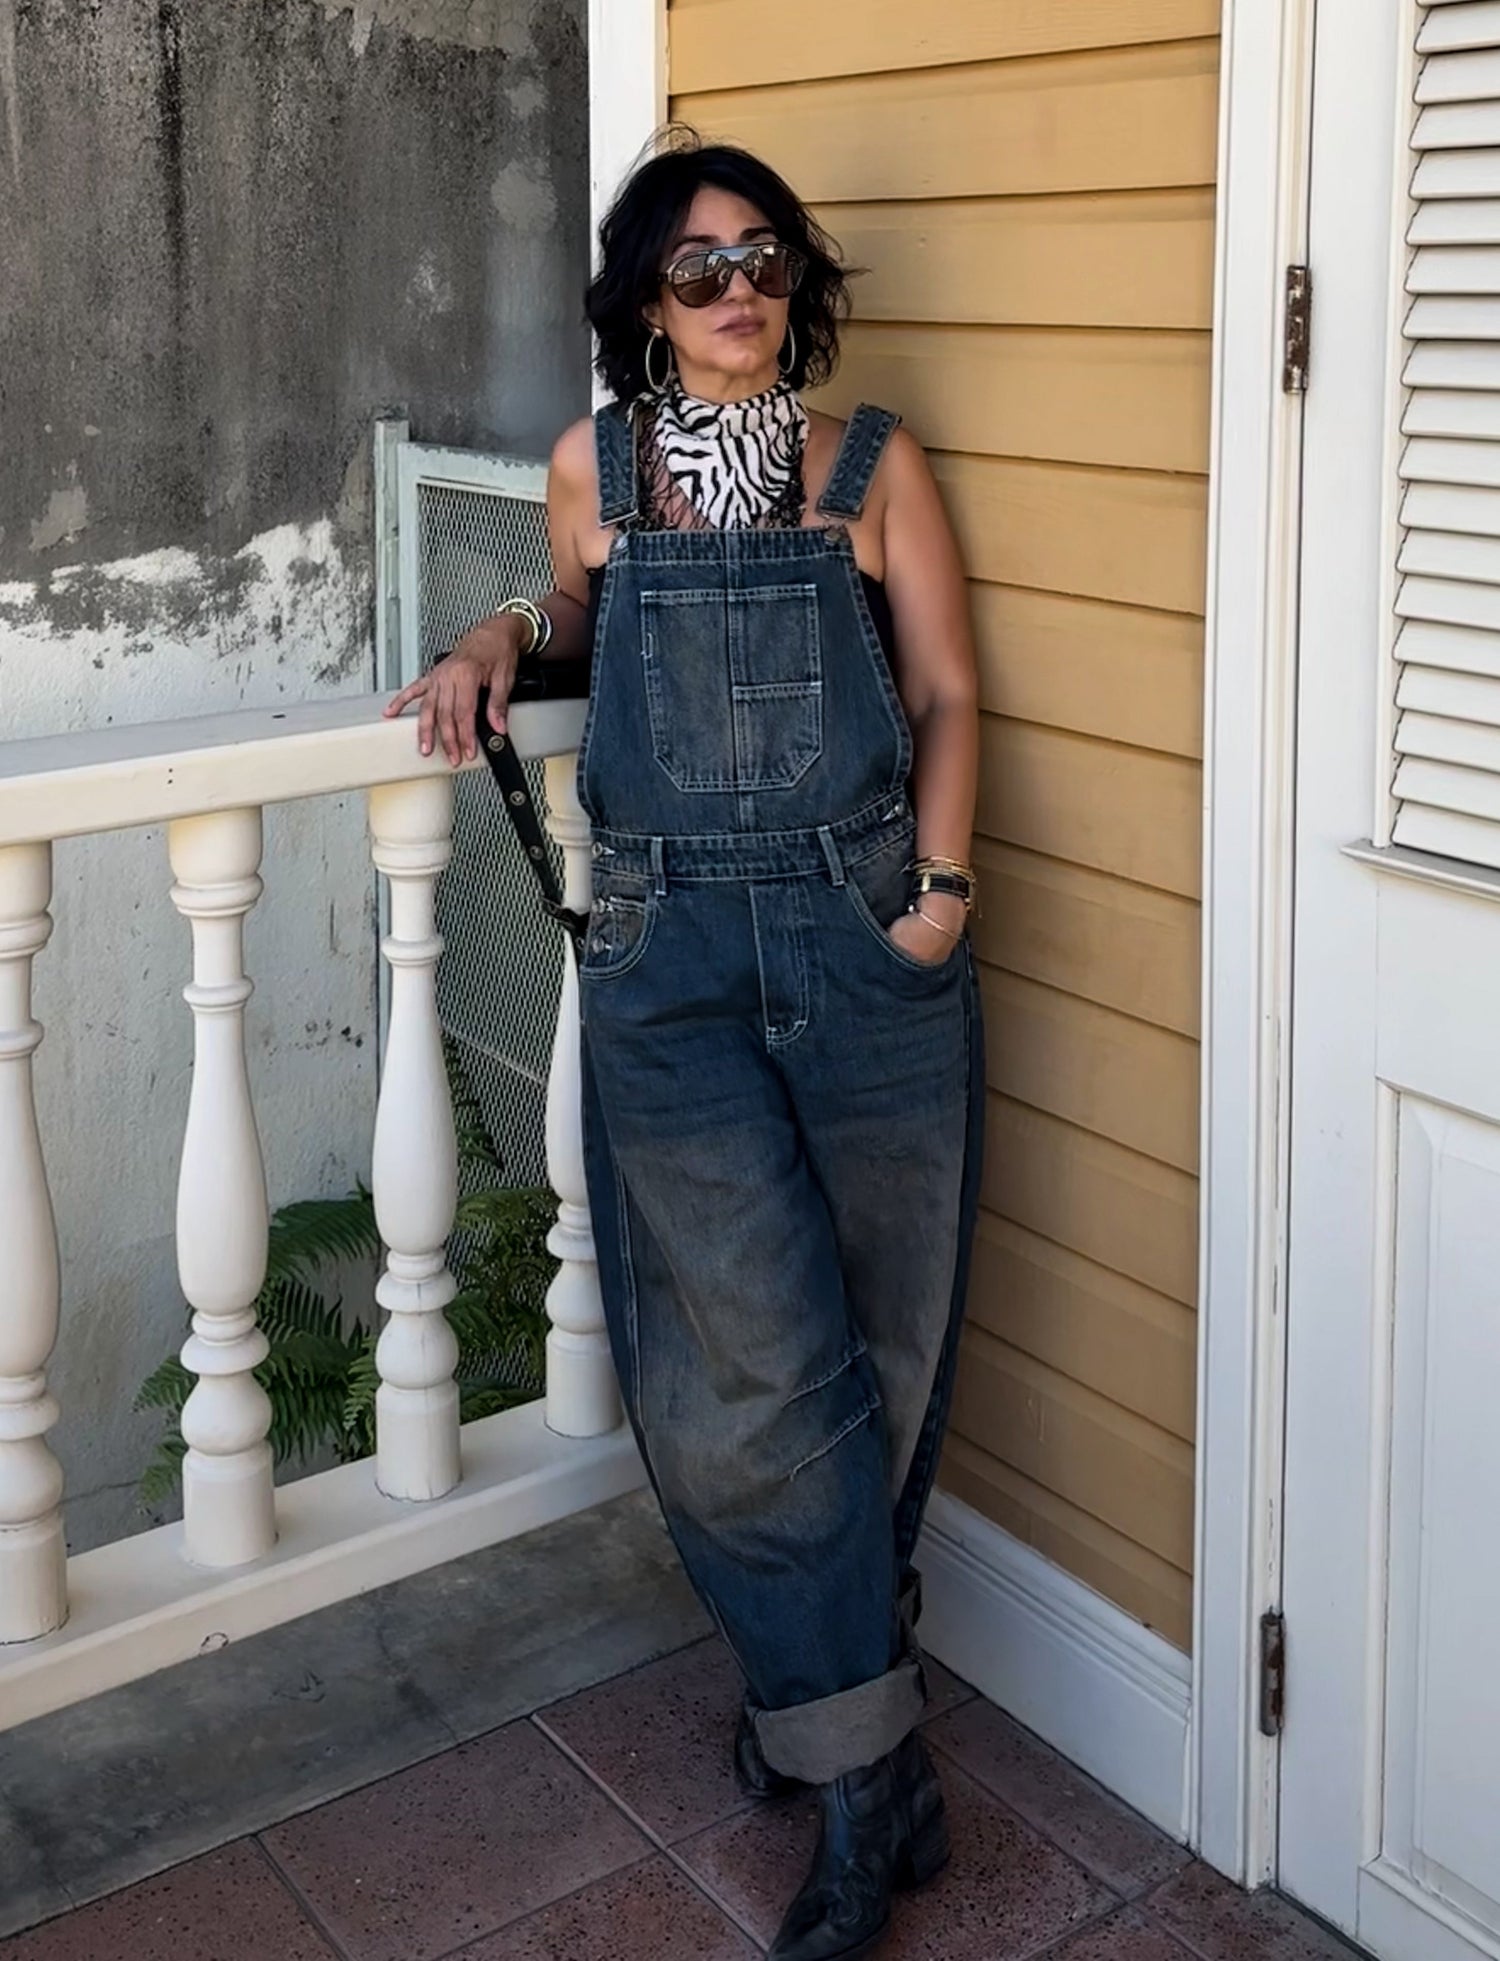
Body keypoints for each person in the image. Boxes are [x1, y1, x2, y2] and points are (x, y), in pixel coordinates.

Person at [386, 131, 984, 1961]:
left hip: (863, 936)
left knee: (884, 1338)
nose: (739, 292)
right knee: (749, 1367)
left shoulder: (868, 466)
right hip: (670, 962)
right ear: (647, 299)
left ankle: (836, 1723)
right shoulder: (596, 468)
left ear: (796, 283)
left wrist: (939, 892)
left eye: (764, 258)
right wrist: (496, 630)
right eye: (699, 266)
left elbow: (949, 689)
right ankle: (868, 1776)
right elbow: (580, 619)